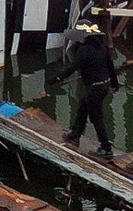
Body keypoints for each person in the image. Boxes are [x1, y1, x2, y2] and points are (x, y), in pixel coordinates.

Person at [50, 19, 121, 160]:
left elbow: (72, 68)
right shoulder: (101, 46)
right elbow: (110, 67)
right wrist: (115, 84)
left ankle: (106, 149)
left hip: (95, 88)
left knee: (97, 118)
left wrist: (56, 79)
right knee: (83, 108)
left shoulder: (83, 50)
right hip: (103, 85)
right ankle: (75, 135)